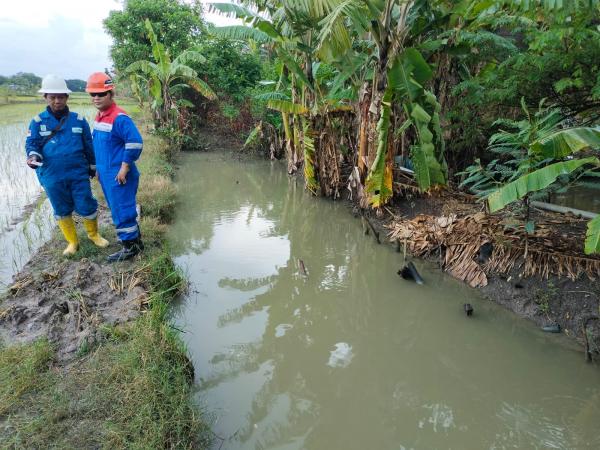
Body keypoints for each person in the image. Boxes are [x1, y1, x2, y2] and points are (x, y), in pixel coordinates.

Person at [25, 74, 109, 256]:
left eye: (61, 97)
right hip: (52, 175)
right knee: (61, 208)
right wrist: (32, 157)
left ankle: (94, 234)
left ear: (66, 97)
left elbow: (89, 145)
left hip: (78, 173)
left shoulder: (79, 120)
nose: (57, 101)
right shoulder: (38, 122)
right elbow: (32, 145)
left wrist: (92, 168)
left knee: (86, 204)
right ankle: (72, 242)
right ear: (45, 97)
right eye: (52, 97)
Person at [86, 72, 144, 262]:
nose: (96, 98)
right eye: (93, 94)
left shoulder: (119, 118)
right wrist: (96, 169)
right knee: (117, 208)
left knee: (122, 209)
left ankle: (131, 248)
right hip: (107, 173)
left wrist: (125, 167)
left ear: (111, 94)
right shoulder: (100, 116)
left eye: (101, 94)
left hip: (120, 175)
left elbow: (135, 142)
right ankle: (135, 241)